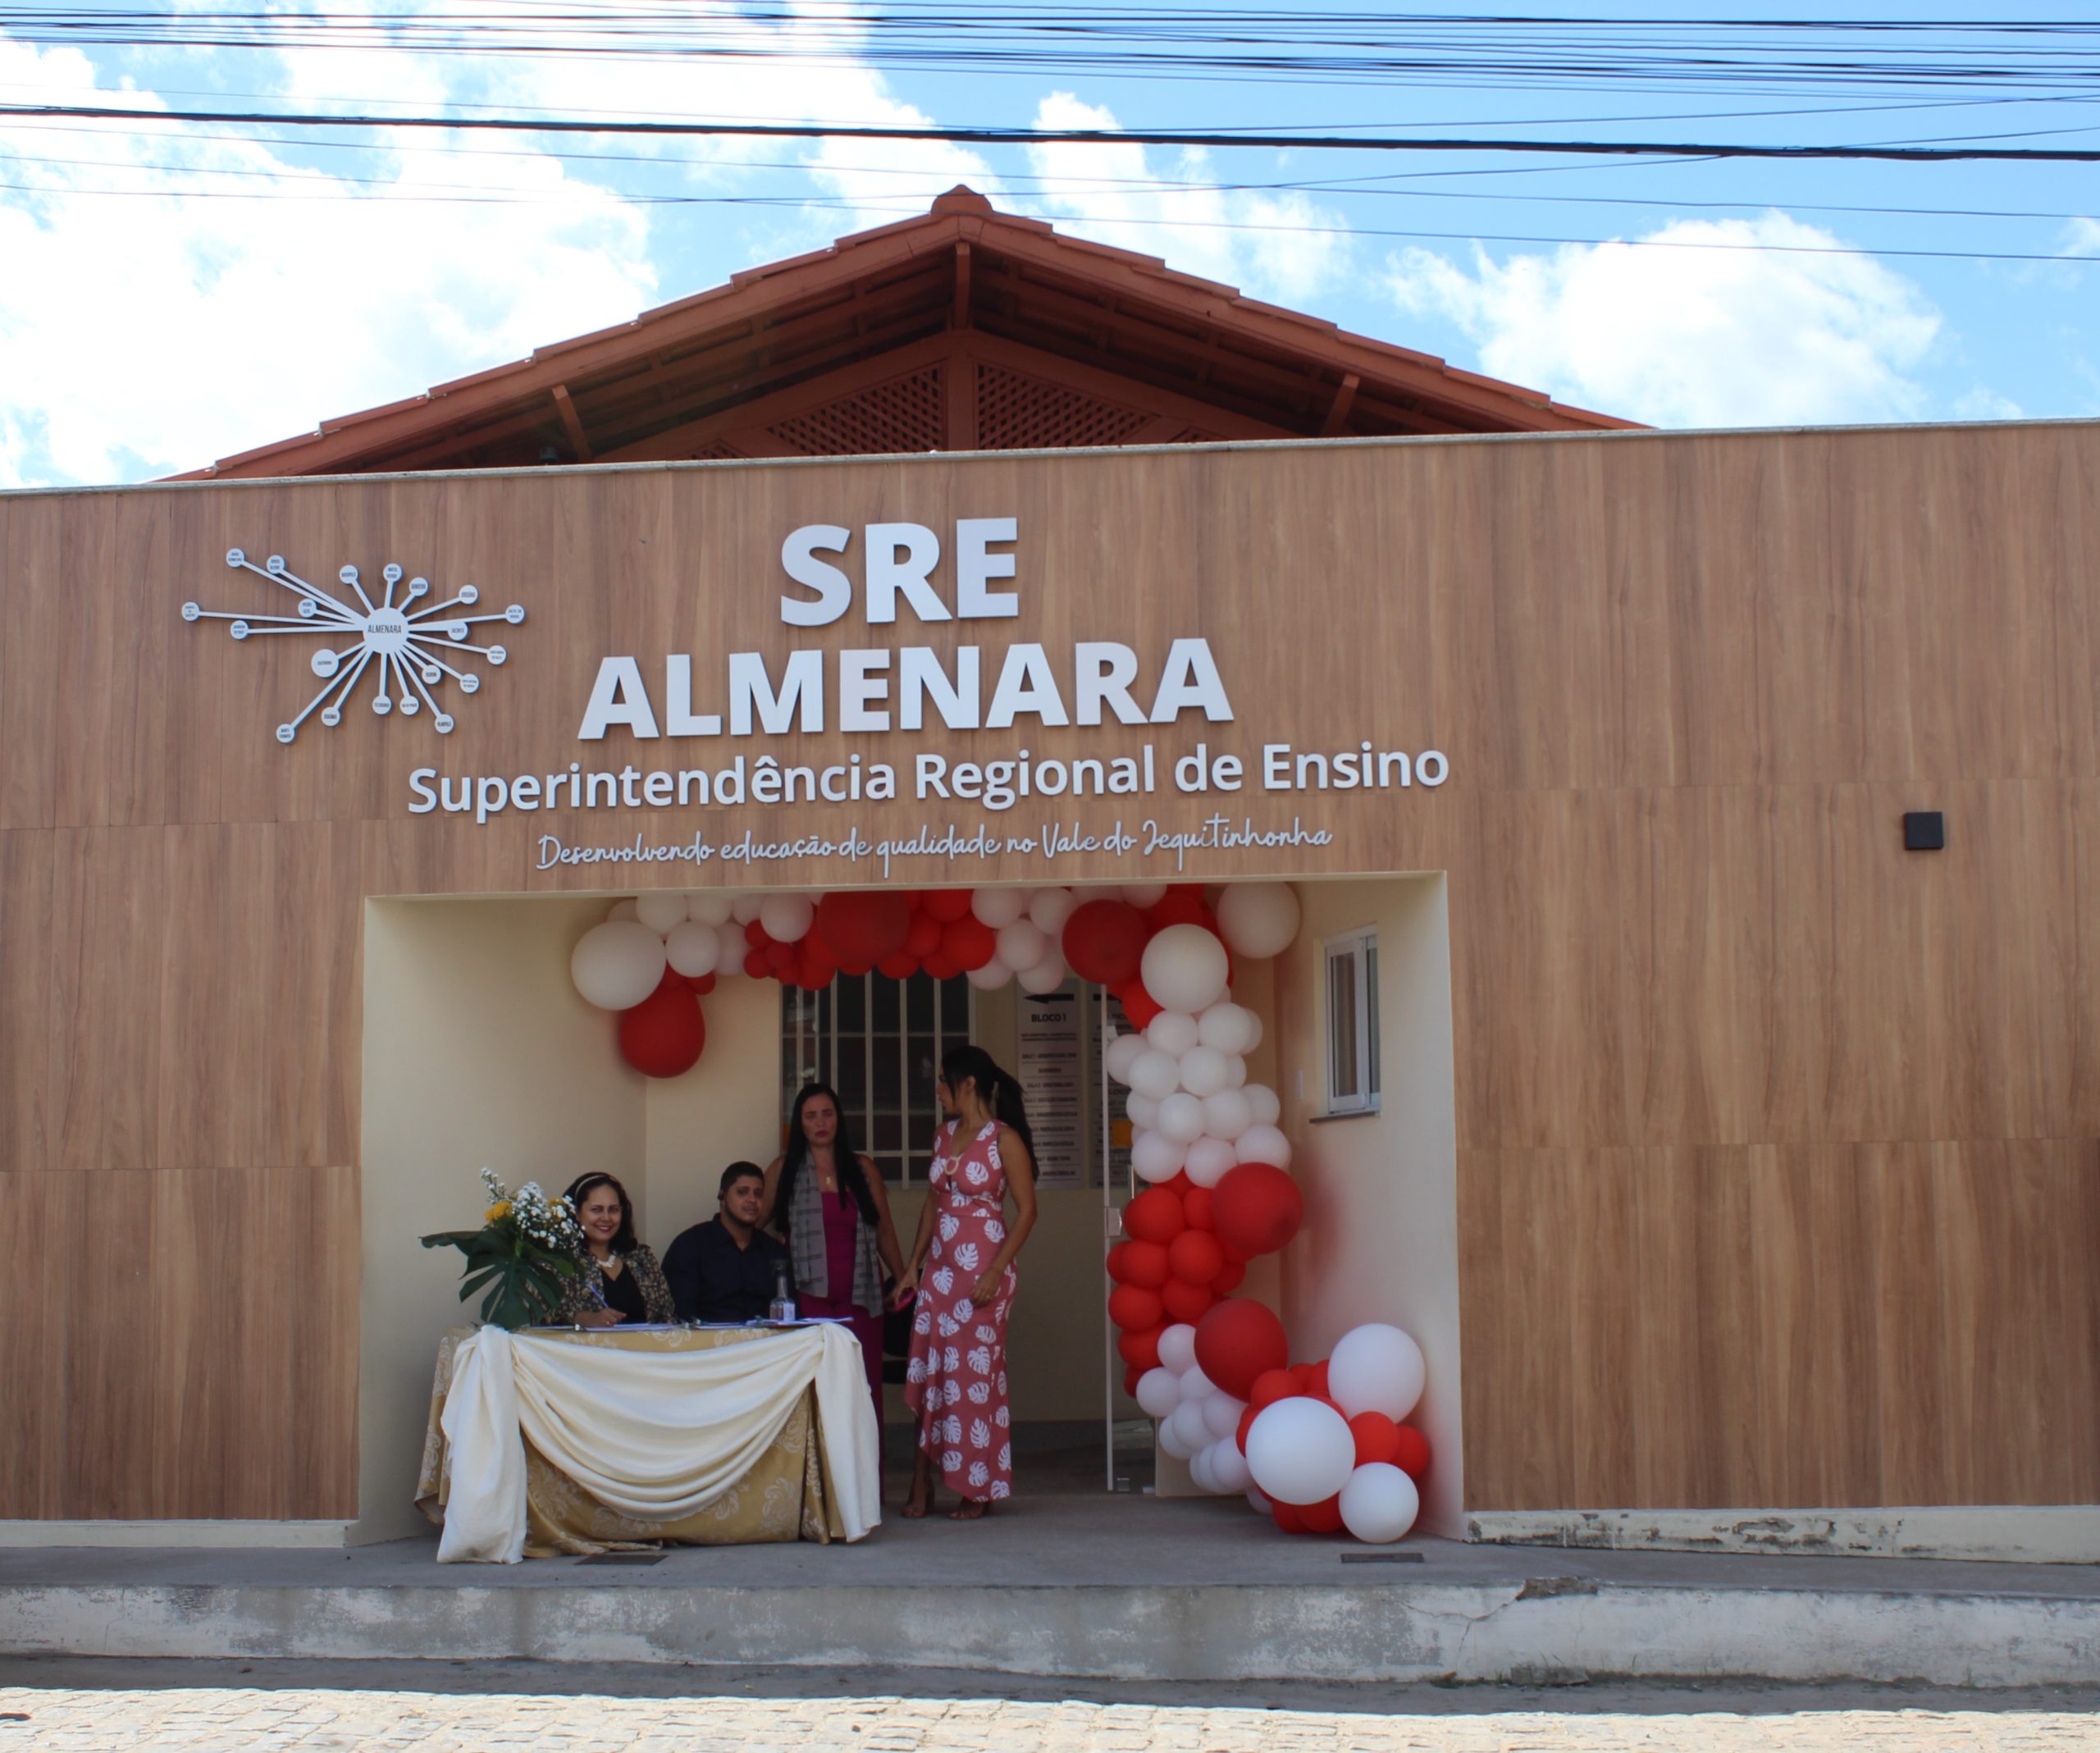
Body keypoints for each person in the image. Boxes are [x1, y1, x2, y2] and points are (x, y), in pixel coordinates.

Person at [892, 1044, 1038, 1520]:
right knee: (931, 1374)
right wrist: (913, 1265)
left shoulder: (1004, 1139)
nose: (937, 1090)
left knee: (973, 1380)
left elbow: (1028, 1211)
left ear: (968, 1083)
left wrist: (996, 1271)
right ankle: (922, 1480)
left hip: (984, 1274)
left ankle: (977, 1486)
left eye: (942, 1081)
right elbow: (933, 1204)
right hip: (939, 1272)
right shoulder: (942, 1135)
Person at [762, 1084, 905, 1408]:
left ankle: (866, 1459)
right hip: (808, 1295)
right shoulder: (784, 1169)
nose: (820, 1122)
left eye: (827, 1114)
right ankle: (820, 1460)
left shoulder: (863, 1168)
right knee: (817, 1387)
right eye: (811, 1116)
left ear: (838, 1119)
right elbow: (756, 1226)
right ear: (800, 1124)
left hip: (862, 1296)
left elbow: (885, 1230)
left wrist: (902, 1279)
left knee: (862, 1386)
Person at [663, 1162, 794, 1324]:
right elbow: (681, 1317)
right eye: (742, 1192)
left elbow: (790, 1314)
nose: (752, 1199)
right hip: (711, 1346)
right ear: (722, 1196)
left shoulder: (774, 1251)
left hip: (767, 1345)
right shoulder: (690, 1246)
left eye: (758, 1193)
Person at [555, 1171, 674, 1327]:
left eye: (613, 1210)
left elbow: (668, 1316)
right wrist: (584, 1320)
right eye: (596, 1210)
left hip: (644, 1350)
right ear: (576, 1213)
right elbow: (544, 1319)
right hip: (587, 1351)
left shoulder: (642, 1257)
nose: (606, 1218)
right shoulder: (560, 1262)